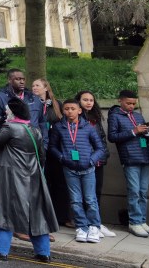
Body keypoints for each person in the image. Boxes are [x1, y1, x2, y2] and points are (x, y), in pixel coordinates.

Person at [0, 98, 59, 262]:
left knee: (5, 210)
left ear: (12, 112)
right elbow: (42, 156)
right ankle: (43, 252)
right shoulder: (34, 130)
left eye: (7, 111)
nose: (5, 113)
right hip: (33, 175)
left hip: (10, 176)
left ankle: (1, 250)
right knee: (36, 213)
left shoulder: (9, 127)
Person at [49, 97, 106, 244]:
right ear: (63, 111)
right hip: (70, 169)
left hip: (88, 169)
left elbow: (100, 148)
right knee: (75, 200)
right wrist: (62, 158)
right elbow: (52, 147)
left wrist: (92, 160)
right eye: (66, 109)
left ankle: (94, 226)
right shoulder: (59, 127)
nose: (69, 111)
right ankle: (81, 227)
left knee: (90, 199)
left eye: (73, 109)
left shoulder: (88, 127)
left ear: (79, 110)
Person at [108, 89, 149, 238]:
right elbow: (112, 136)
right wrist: (134, 131)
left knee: (142, 191)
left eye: (134, 103)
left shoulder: (138, 115)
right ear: (120, 101)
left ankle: (141, 220)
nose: (131, 106)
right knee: (134, 191)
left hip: (144, 156)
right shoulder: (115, 116)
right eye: (128, 103)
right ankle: (134, 222)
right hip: (130, 158)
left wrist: (146, 132)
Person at [76, 89, 114, 238]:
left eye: (91, 100)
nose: (89, 103)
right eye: (85, 100)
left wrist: (104, 155)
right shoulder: (77, 117)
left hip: (98, 160)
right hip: (85, 160)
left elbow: (102, 138)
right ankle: (87, 223)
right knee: (86, 194)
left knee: (97, 192)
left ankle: (96, 223)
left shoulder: (95, 117)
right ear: (79, 101)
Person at [33, 78, 69, 227]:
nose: (34, 88)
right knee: (42, 181)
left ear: (46, 88)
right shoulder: (32, 104)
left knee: (59, 182)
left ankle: (60, 215)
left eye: (37, 85)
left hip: (56, 147)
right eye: (33, 85)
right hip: (40, 146)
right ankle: (42, 214)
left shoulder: (56, 104)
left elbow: (61, 122)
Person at [0, 68, 45, 145]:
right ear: (9, 80)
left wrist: (44, 144)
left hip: (33, 144)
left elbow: (42, 123)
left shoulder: (34, 98)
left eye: (23, 79)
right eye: (18, 79)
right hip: (11, 147)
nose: (22, 82)